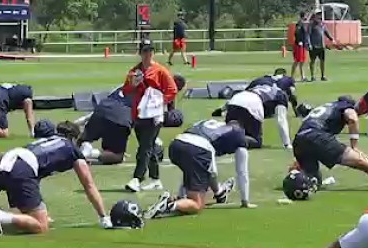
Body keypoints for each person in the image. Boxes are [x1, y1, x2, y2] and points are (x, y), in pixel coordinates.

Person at [0, 123, 109, 236]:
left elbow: (33, 184)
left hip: (6, 159)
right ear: (74, 139)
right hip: (22, 169)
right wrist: (103, 216)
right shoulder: (73, 149)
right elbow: (89, 185)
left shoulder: (46, 141)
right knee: (41, 225)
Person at [149, 116, 258, 219]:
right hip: (197, 149)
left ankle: (178, 200)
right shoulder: (239, 136)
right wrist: (245, 201)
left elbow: (194, 170)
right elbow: (241, 172)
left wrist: (218, 192)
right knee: (197, 204)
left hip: (176, 145)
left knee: (194, 172)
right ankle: (169, 205)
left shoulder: (210, 124)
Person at [292, 96, 368, 188]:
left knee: (312, 181)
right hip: (316, 136)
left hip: (299, 140)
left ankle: (293, 178)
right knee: (360, 162)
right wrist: (354, 146)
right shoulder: (345, 106)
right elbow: (352, 118)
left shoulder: (328, 106)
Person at [121, 41, 178, 193]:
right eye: (145, 51)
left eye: (150, 51)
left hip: (154, 115)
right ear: (140, 53)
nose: (148, 54)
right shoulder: (134, 71)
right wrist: (133, 84)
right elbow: (125, 91)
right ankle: (155, 178)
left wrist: (159, 103)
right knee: (149, 146)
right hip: (139, 113)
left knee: (144, 147)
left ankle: (137, 178)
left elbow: (172, 90)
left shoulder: (160, 70)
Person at [223, 73, 297, 149]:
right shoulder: (280, 94)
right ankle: (232, 140)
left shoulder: (259, 81)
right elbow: (281, 120)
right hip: (252, 105)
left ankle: (221, 137)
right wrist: (287, 143)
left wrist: (222, 109)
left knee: (234, 131)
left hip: (234, 101)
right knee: (256, 141)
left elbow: (243, 95)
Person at [76, 90, 133, 167]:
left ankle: (74, 154)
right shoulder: (150, 91)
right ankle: (91, 153)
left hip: (101, 110)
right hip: (119, 119)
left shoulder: (123, 86)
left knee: (82, 140)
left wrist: (85, 118)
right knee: (117, 156)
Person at [304, 10, 328, 81]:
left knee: (322, 61)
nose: (319, 16)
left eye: (320, 15)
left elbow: (326, 32)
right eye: (318, 15)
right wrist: (309, 44)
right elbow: (308, 35)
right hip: (314, 46)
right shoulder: (311, 25)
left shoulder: (322, 24)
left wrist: (332, 39)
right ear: (314, 16)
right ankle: (312, 76)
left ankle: (323, 76)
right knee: (312, 61)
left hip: (321, 46)